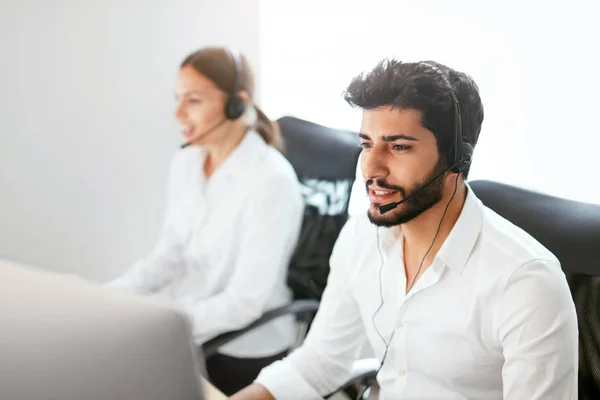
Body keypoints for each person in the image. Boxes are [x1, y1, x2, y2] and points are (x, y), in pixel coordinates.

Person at [231, 60, 578, 399]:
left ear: (458, 159)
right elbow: (321, 360)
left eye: (398, 147)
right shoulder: (360, 236)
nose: (371, 167)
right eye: (367, 144)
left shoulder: (525, 284)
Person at [108, 47, 304, 395]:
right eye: (178, 99)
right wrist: (109, 299)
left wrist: (163, 323)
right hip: (190, 325)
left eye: (193, 100)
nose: (178, 113)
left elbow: (245, 302)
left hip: (243, 344)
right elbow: (168, 256)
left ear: (236, 104)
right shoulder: (185, 164)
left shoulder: (270, 180)